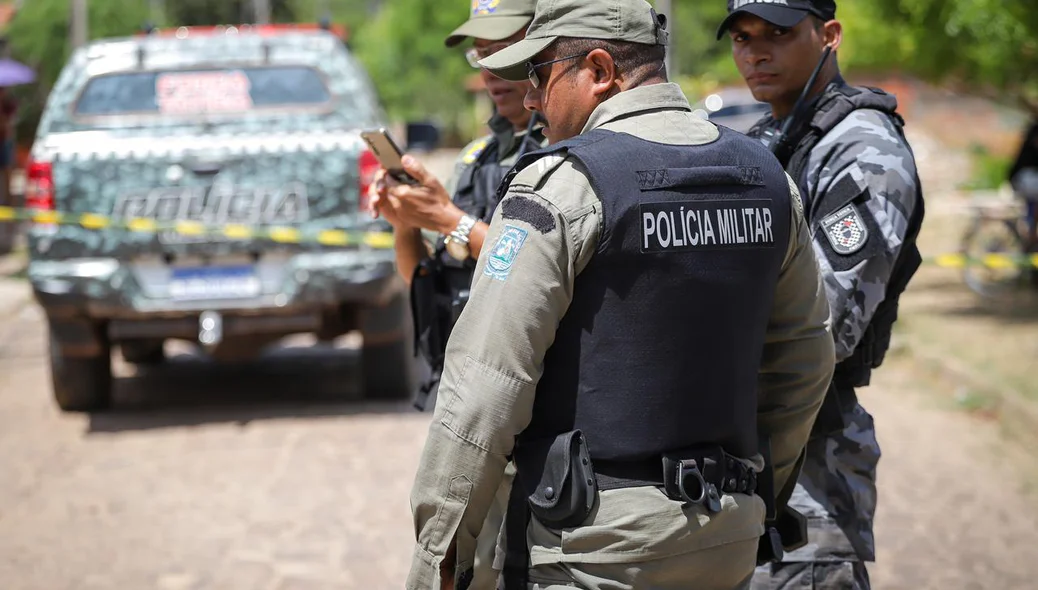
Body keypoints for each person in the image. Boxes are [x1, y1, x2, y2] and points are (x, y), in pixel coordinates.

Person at [405, 0, 836, 588]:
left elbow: (484, 386)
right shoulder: (767, 178)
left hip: (593, 553)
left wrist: (437, 563)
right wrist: (756, 496)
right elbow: (804, 364)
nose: (530, 98)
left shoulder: (560, 186)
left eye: (540, 75)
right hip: (727, 542)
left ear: (601, 70)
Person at [717, 1, 925, 588]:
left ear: (828, 34)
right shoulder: (768, 137)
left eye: (777, 34)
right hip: (745, 452)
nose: (754, 52)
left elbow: (828, 327)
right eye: (741, 36)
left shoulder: (864, 149)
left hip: (810, 472)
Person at [368, 2, 545, 588]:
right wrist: (405, 220)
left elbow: (528, 266)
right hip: (468, 407)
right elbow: (424, 279)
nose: (490, 70)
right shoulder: (477, 159)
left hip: (536, 420)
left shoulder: (567, 153)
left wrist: (450, 219)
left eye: (502, 49)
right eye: (480, 54)